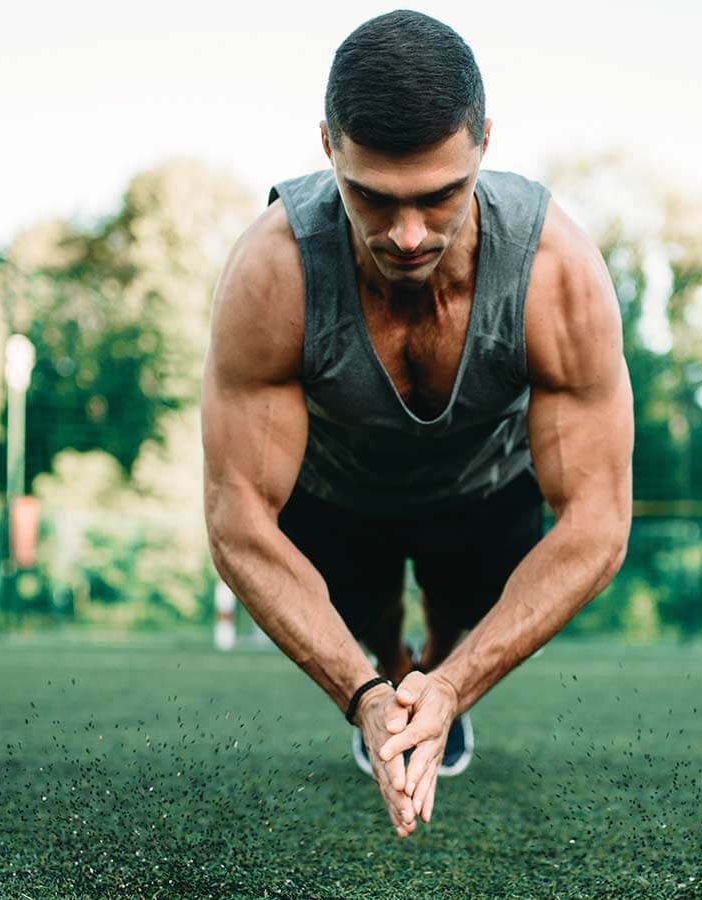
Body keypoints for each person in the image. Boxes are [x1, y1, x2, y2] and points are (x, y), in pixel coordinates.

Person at [201, 9, 632, 840]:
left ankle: (430, 673)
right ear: (328, 147)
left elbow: (598, 522)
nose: (406, 235)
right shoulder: (273, 269)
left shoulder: (556, 272)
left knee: (453, 628)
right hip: (337, 495)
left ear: (484, 145)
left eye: (439, 197)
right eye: (372, 197)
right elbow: (238, 520)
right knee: (372, 635)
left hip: (482, 493)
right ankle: (397, 674)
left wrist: (456, 683)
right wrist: (364, 694)